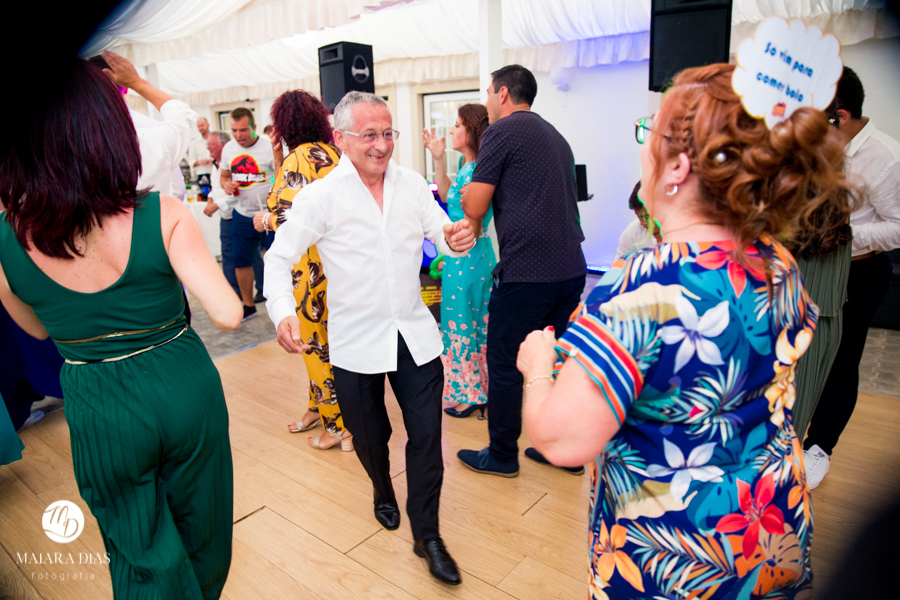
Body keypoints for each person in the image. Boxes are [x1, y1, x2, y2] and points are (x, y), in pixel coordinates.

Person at [516, 63, 846, 598]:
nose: (643, 146)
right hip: (769, 534)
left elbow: (561, 439)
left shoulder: (640, 288)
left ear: (677, 167)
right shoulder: (778, 263)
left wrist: (537, 367)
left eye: (649, 131)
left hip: (679, 560)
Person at [0, 58, 242, 599]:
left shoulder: (7, 238)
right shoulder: (163, 212)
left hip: (97, 394)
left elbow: (36, 330)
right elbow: (228, 313)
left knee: (136, 545)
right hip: (181, 380)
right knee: (202, 525)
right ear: (110, 133)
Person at [264, 91, 475, 585]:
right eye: (369, 135)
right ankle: (381, 487)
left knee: (427, 437)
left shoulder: (412, 184)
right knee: (371, 436)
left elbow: (442, 233)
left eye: (388, 133)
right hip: (355, 341)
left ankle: (428, 535)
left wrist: (455, 238)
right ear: (340, 138)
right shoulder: (320, 197)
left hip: (415, 335)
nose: (382, 145)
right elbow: (278, 257)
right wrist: (282, 313)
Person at [457, 64, 586, 477]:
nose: (487, 102)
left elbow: (475, 206)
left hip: (528, 271)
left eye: (488, 92)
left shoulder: (501, 132)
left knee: (506, 362)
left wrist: (467, 195)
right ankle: (563, 452)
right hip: (571, 270)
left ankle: (501, 455)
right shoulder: (557, 136)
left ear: (503, 94)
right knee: (556, 361)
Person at [803, 66, 900, 489]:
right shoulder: (818, 148)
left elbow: (899, 226)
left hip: (860, 270)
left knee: (840, 360)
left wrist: (841, 237)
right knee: (800, 352)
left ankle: (819, 448)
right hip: (812, 268)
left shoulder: (887, 157)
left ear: (840, 116)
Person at [251, 90, 349, 450]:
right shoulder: (334, 153)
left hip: (308, 268)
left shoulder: (297, 159)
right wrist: (279, 158)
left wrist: (264, 220)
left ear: (284, 124)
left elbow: (288, 216)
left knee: (314, 345)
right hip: (337, 263)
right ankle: (316, 408)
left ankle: (338, 428)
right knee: (328, 342)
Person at [422, 103, 495, 418]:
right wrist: (438, 159)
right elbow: (447, 196)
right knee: (473, 323)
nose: (451, 130)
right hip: (467, 254)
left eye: (457, 125)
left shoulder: (478, 169)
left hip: (468, 254)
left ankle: (471, 394)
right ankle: (479, 389)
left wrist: (451, 247)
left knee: (463, 324)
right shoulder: (470, 167)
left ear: (472, 131)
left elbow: (470, 217)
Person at [91, 52, 196, 200]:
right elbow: (177, 191)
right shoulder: (150, 134)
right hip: (151, 213)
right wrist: (136, 82)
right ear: (125, 87)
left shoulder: (70, 141)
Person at [220, 107, 275, 321]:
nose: (238, 135)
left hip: (268, 213)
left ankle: (283, 303)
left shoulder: (268, 146)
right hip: (242, 214)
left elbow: (281, 176)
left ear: (254, 127)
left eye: (243, 130)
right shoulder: (229, 148)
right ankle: (248, 305)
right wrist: (226, 184)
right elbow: (224, 176)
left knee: (276, 259)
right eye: (234, 130)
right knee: (240, 260)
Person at [203, 131, 265, 299]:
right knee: (233, 256)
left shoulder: (236, 162)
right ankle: (238, 294)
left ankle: (260, 290)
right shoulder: (216, 165)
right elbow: (216, 187)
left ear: (223, 145)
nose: (208, 148)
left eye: (211, 144)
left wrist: (217, 204)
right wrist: (210, 199)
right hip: (226, 215)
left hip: (238, 213)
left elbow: (239, 192)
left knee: (248, 256)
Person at [615, 181, 661, 259]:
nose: (642, 223)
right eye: (639, 217)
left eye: (647, 217)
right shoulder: (631, 233)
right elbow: (618, 265)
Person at [188, 117, 214, 200]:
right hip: (202, 175)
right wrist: (199, 162)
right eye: (198, 126)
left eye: (202, 125)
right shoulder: (194, 143)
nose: (200, 128)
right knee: (205, 199)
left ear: (208, 125)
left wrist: (214, 161)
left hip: (215, 172)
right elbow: (191, 161)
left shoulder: (215, 138)